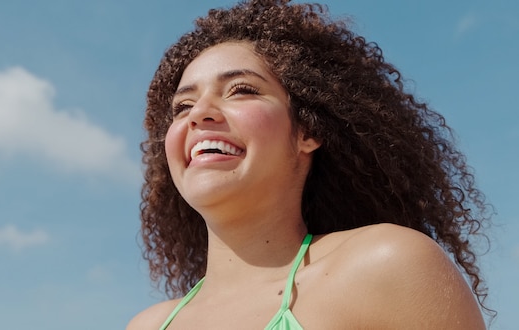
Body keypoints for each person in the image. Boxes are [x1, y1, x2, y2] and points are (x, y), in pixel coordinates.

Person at [128, 0, 493, 328]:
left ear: (307, 130)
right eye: (183, 106)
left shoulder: (388, 266)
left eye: (242, 90)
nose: (200, 115)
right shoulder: (147, 325)